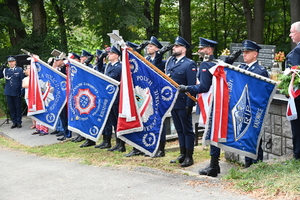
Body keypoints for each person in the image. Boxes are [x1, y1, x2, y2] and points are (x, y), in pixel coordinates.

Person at [179, 39, 268, 176]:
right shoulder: (242, 68)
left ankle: (254, 166)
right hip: (235, 106)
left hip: (250, 108)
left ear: (255, 54)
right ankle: (220, 165)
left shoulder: (260, 70)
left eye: (247, 52)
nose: (244, 55)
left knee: (251, 136)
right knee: (220, 131)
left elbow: (259, 92)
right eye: (243, 52)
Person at [166, 36, 197, 167]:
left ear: (183, 49)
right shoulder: (171, 63)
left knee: (187, 130)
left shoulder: (189, 64)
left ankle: (189, 156)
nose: (174, 48)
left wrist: (189, 104)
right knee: (179, 129)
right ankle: (182, 153)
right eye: (174, 46)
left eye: (177, 46)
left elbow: (192, 86)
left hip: (184, 102)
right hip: (173, 102)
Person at [286, 21, 300, 160]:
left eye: (292, 32)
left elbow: (293, 73)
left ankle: (297, 154)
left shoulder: (297, 51)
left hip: (298, 94)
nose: (290, 35)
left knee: (297, 124)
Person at [0, 56, 25, 128]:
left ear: (15, 62)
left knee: (18, 107)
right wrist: (1, 69)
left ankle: (19, 122)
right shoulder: (6, 70)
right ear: (8, 63)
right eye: (9, 62)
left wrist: (22, 90)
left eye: (12, 61)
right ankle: (14, 122)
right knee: (12, 108)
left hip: (17, 91)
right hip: (9, 91)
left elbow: (22, 81)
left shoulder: (19, 70)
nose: (11, 63)